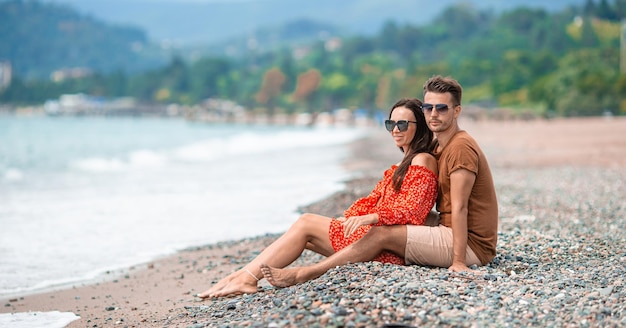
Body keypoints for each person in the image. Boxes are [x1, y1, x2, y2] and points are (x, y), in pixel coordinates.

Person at [260, 75, 498, 288]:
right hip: (447, 228)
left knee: (381, 234)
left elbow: (459, 207)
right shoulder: (439, 145)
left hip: (471, 245)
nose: (433, 114)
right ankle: (247, 275)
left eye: (442, 108)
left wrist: (458, 262)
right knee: (318, 236)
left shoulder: (460, 148)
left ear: (456, 111)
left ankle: (306, 274)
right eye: (428, 107)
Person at [198, 97, 439, 298]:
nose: (395, 129)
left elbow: (413, 213)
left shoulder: (422, 160)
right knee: (307, 234)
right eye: (390, 124)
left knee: (306, 223)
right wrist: (354, 218)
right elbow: (380, 203)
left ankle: (246, 278)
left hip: (386, 247)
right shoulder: (403, 163)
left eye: (402, 124)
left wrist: (370, 218)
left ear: (420, 126)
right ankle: (241, 276)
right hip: (375, 240)